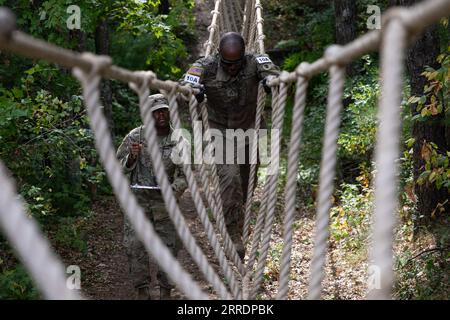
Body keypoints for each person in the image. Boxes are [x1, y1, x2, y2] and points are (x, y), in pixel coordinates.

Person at [180, 32, 280, 259]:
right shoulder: (205, 65)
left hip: (251, 131)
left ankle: (239, 218)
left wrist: (270, 83)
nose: (232, 68)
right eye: (227, 64)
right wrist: (193, 93)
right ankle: (232, 234)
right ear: (219, 56)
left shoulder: (256, 61)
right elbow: (183, 86)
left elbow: (276, 76)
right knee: (230, 178)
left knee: (246, 184)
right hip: (219, 131)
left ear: (243, 56)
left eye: (236, 64)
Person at [116, 93, 187, 300]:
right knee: (134, 245)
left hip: (165, 203)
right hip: (138, 200)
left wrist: (172, 190)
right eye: (156, 112)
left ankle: (166, 289)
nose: (161, 115)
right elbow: (118, 168)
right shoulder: (135, 137)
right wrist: (132, 158)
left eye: (164, 110)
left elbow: (186, 175)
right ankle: (142, 290)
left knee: (169, 247)